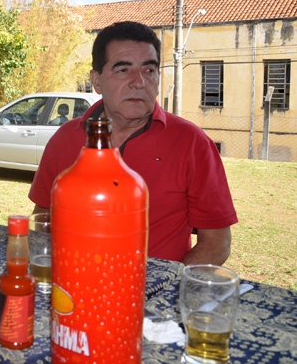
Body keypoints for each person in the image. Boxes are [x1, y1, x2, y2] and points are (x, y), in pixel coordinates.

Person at [29, 21, 238, 265]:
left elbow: (216, 242)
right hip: (75, 283)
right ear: (97, 81)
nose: (139, 82)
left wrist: (168, 288)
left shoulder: (192, 143)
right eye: (123, 70)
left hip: (154, 293)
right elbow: (42, 218)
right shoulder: (65, 139)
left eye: (149, 70)